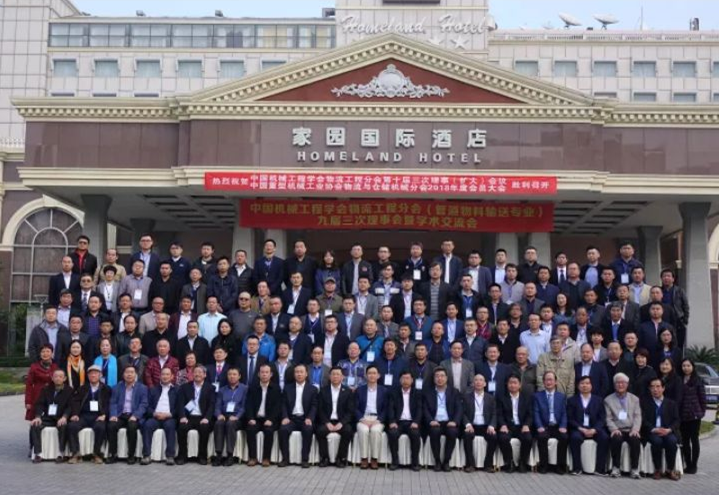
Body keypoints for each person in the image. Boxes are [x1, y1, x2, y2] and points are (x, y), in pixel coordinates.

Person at [67, 364, 110, 464]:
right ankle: (75, 454)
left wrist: (104, 415)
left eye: (96, 373)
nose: (93, 375)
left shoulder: (106, 389)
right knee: (72, 426)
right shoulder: (82, 388)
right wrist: (75, 414)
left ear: (100, 375)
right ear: (88, 376)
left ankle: (97, 454)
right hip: (84, 415)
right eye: (91, 373)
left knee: (100, 427)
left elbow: (109, 404)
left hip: (98, 416)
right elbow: (76, 402)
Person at [567, 376, 609, 475]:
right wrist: (581, 429)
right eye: (582, 383)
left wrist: (595, 429)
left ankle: (600, 469)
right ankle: (577, 468)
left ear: (591, 386)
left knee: (604, 438)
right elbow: (570, 418)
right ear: (578, 386)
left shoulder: (598, 400)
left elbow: (602, 418)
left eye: (587, 383)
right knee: (575, 438)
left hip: (594, 428)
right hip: (579, 428)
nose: (584, 386)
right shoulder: (572, 400)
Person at [29, 369, 72, 463]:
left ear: (64, 378)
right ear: (52, 378)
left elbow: (70, 406)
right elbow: (40, 404)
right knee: (35, 425)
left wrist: (65, 417)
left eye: (60, 376)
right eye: (55, 376)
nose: (58, 378)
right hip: (48, 417)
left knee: (64, 426)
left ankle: (61, 453)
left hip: (60, 417)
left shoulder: (69, 390)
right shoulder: (46, 389)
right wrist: (38, 417)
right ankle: (38, 454)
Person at [107, 366, 148, 465]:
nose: (129, 374)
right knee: (111, 426)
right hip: (120, 414)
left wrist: (136, 415)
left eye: (131, 372)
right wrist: (113, 415)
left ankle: (131, 455)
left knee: (132, 427)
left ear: (135, 374)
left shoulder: (142, 388)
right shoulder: (117, 387)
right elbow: (113, 403)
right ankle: (113, 454)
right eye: (127, 372)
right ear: (123, 374)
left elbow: (144, 404)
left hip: (133, 415)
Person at [642, 378, 681, 481]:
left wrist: (669, 429)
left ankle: (670, 470)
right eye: (652, 387)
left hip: (667, 431)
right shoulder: (645, 403)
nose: (655, 389)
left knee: (672, 441)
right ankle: (658, 469)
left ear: (663, 388)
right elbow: (643, 420)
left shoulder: (671, 403)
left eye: (658, 386)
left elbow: (677, 420)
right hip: (652, 431)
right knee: (657, 441)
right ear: (649, 389)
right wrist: (653, 429)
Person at [278, 364, 317, 468]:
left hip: (305, 418)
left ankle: (305, 459)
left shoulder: (312, 389)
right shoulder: (287, 388)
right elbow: (283, 404)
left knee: (308, 430)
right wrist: (285, 417)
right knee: (283, 430)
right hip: (291, 419)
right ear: (294, 374)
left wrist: (310, 418)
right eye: (297, 372)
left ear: (306, 374)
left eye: (301, 372)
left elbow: (314, 406)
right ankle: (285, 459)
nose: (299, 374)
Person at [604, 372, 642, 479]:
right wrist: (614, 429)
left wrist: (635, 429)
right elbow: (608, 418)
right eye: (618, 383)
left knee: (635, 439)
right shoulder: (608, 400)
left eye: (623, 382)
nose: (620, 385)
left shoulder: (635, 399)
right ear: (614, 385)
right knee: (616, 439)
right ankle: (616, 468)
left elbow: (637, 416)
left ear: (627, 384)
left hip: (631, 429)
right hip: (618, 429)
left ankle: (634, 469)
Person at [423, 367, 462, 472]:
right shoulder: (428, 392)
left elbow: (459, 408)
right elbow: (425, 409)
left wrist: (455, 421)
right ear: (433, 379)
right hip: (435, 421)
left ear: (446, 378)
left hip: (449, 422)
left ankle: (446, 461)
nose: (439, 378)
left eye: (442, 376)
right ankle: (437, 461)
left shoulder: (454, 392)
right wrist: (430, 420)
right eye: (437, 376)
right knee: (434, 431)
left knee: (452, 432)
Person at [316, 366, 355, 468]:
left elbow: (350, 411)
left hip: (341, 421)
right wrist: (327, 422)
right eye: (333, 374)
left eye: (338, 374)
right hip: (328, 421)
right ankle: (324, 458)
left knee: (348, 431)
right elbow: (320, 410)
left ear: (342, 377)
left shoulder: (348, 391)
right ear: (329, 376)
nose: (335, 376)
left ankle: (341, 458)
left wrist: (341, 423)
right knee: (320, 431)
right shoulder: (323, 391)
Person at [176, 365, 216, 465]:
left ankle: (202, 456)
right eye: (195, 372)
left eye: (200, 372)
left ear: (205, 375)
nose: (197, 374)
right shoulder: (184, 387)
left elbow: (212, 405)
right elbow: (180, 403)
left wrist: (207, 418)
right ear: (192, 374)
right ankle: (182, 456)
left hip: (202, 417)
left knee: (205, 428)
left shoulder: (210, 388)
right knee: (182, 428)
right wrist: (182, 416)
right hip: (188, 417)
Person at [244, 363, 281, 467]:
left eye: (266, 372)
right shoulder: (253, 387)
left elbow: (277, 407)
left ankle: (266, 458)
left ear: (271, 374)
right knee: (250, 429)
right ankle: (252, 457)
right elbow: (248, 404)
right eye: (262, 372)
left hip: (269, 419)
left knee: (269, 431)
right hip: (256, 419)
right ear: (258, 374)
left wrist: (271, 419)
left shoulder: (276, 388)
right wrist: (251, 418)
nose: (264, 374)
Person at [533, 371, 568, 474]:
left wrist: (563, 426)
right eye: (546, 380)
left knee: (564, 437)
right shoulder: (537, 396)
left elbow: (564, 413)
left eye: (551, 380)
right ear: (543, 382)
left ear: (555, 382)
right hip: (544, 426)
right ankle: (544, 466)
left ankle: (560, 466)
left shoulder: (561, 396)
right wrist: (539, 426)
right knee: (542, 437)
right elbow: (536, 413)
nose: (549, 382)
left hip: (557, 426)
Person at [141, 367, 178, 465]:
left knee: (170, 426)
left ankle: (170, 456)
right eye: (163, 374)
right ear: (160, 376)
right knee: (147, 425)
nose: (165, 376)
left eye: (167, 374)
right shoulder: (153, 389)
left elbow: (179, 407)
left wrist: (169, 414)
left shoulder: (177, 390)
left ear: (172, 376)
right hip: (155, 417)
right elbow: (147, 406)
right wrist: (154, 413)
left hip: (169, 417)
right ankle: (146, 455)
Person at [497, 374, 533, 473]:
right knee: (503, 438)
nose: (512, 385)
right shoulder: (502, 397)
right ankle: (509, 462)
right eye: (510, 383)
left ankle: (522, 463)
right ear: (507, 384)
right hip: (508, 426)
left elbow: (530, 414)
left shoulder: (526, 397)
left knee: (528, 438)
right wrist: (503, 425)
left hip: (521, 426)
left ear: (519, 385)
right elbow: (499, 414)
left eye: (515, 383)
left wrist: (526, 425)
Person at [387, 371, 422, 471]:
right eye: (403, 378)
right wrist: (392, 421)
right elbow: (390, 409)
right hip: (398, 422)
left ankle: (415, 462)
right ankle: (395, 461)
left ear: (412, 380)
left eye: (407, 378)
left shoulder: (417, 393)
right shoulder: (394, 393)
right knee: (392, 433)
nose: (405, 381)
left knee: (415, 434)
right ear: (400, 380)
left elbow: (420, 409)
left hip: (412, 422)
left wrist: (416, 422)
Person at [462, 374, 498, 473]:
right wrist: (468, 424)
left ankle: (488, 465)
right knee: (467, 435)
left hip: (485, 426)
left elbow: (494, 414)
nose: (478, 382)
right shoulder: (466, 397)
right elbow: (463, 413)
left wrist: (492, 425)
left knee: (493, 437)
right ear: (473, 383)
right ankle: (470, 464)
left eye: (481, 380)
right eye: (476, 380)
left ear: (485, 384)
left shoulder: (490, 398)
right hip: (472, 425)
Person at [213, 367, 248, 466]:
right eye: (229, 374)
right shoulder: (222, 390)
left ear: (239, 376)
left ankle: (230, 455)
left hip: (238, 418)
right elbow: (217, 406)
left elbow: (244, 406)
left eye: (234, 374)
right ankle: (218, 455)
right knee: (218, 423)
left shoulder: (245, 389)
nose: (232, 376)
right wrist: (218, 414)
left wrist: (237, 416)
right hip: (224, 415)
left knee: (230, 424)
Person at [355, 365, 387, 469]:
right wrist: (362, 419)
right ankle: (364, 458)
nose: (372, 375)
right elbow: (355, 408)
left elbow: (386, 408)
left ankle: (374, 459)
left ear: (378, 375)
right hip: (363, 418)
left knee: (375, 431)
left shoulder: (384, 391)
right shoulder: (359, 390)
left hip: (377, 419)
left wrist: (379, 420)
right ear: (365, 376)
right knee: (363, 430)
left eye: (374, 373)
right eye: (369, 373)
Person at [679, 359, 706, 474]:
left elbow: (702, 398)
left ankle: (694, 465)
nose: (686, 368)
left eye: (688, 365)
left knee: (694, 440)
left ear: (692, 367)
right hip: (682, 415)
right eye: (684, 366)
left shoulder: (697, 380)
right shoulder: (679, 379)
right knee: (684, 440)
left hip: (694, 415)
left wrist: (701, 412)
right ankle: (688, 464)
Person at [24, 344, 58, 423]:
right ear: (40, 353)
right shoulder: (34, 367)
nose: (45, 354)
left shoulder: (56, 366)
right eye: (43, 352)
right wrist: (28, 401)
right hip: (37, 395)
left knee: (51, 419)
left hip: (51, 396)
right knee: (36, 419)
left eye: (48, 351)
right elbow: (29, 385)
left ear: (52, 353)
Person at [660, 269, 689, 348]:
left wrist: (685, 320)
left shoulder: (679, 291)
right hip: (664, 319)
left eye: (668, 276)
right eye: (664, 276)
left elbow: (685, 306)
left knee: (678, 344)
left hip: (678, 320)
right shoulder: (659, 291)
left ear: (673, 279)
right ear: (661, 279)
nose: (666, 278)